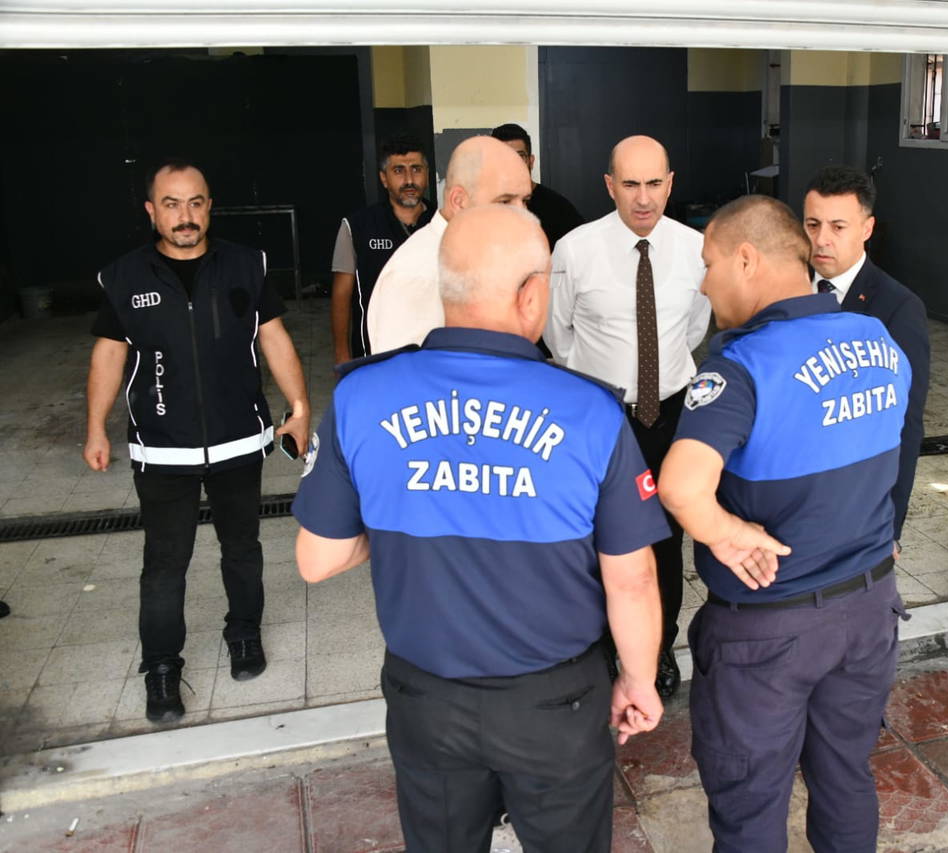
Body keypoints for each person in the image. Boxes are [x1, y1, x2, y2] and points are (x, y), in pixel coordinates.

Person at [293, 204, 667, 853]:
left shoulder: (362, 396)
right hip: (555, 704)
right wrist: (638, 679)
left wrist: (413, 513)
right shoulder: (588, 410)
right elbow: (631, 580)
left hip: (426, 699)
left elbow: (316, 559)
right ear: (531, 296)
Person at [658, 195, 910, 853]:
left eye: (709, 264)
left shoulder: (742, 366)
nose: (704, 284)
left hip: (769, 628)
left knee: (750, 805)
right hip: (869, 610)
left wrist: (725, 532)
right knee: (845, 776)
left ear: (746, 259)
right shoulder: (879, 340)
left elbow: (680, 485)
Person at [84, 159, 309, 724]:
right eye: (171, 204)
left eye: (195, 202)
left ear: (209, 206)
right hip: (162, 447)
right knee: (165, 564)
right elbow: (108, 355)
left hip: (238, 441)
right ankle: (161, 666)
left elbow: (273, 338)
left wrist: (300, 408)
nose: (184, 216)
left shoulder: (245, 265)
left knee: (243, 548)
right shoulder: (124, 277)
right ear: (151, 211)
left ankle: (244, 633)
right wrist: (95, 427)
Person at [545, 135, 710, 699]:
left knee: (664, 540)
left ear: (671, 182)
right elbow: (558, 336)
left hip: (670, 412)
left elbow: (693, 328)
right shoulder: (574, 250)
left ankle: (657, 650)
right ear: (609, 185)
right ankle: (599, 649)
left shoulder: (694, 248)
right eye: (631, 184)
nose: (644, 198)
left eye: (655, 183)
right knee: (595, 539)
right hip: (601, 417)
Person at [803, 166, 929, 544]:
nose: (821, 240)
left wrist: (890, 527)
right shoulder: (784, 289)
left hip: (856, 500)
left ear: (867, 229)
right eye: (812, 224)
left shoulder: (897, 308)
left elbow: (906, 424)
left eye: (838, 227)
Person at [365, 136, 532, 353]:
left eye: (524, 201)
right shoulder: (419, 272)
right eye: (504, 201)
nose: (521, 213)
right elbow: (401, 369)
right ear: (458, 201)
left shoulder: (475, 254)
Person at [330, 136, 435, 364]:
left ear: (427, 174)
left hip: (432, 353)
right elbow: (341, 295)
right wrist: (342, 355)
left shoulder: (446, 224)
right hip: (375, 353)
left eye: (416, 169)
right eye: (398, 171)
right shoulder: (356, 227)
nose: (409, 180)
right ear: (384, 179)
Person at [491, 122, 585, 250]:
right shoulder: (481, 209)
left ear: (531, 161)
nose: (512, 164)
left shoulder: (559, 210)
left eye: (519, 156)